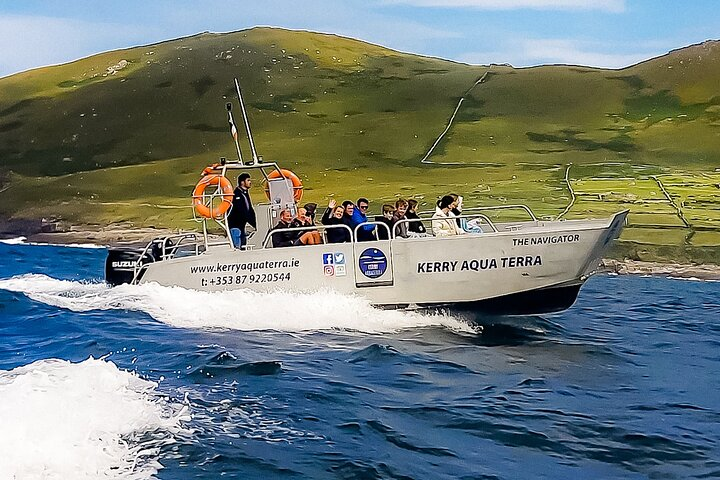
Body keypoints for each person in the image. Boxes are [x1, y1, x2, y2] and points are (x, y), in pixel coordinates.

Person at [227, 173, 256, 248]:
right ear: (242, 182)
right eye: (248, 180)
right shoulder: (236, 195)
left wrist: (254, 223)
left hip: (243, 226)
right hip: (236, 226)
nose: (250, 182)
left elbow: (249, 209)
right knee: (237, 246)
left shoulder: (245, 193)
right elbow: (240, 211)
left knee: (243, 244)